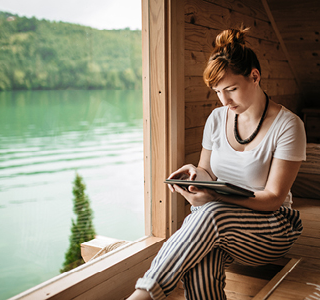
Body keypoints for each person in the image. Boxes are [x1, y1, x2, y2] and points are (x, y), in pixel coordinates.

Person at [127, 26, 306, 300]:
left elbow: (272, 199)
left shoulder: (288, 125)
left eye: (231, 89)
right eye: (217, 91)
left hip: (273, 227)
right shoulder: (216, 119)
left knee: (211, 214)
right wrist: (195, 176)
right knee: (202, 264)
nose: (225, 100)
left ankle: (144, 294)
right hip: (222, 224)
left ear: (255, 76)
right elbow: (208, 171)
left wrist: (213, 199)